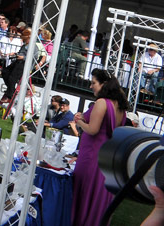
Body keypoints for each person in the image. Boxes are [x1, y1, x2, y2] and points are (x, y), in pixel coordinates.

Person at [71, 68, 129, 225]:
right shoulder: (119, 106)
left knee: (84, 192)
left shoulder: (102, 102)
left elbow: (93, 129)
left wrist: (78, 121)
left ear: (104, 84)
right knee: (97, 195)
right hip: (106, 158)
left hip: (91, 156)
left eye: (93, 83)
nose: (91, 86)